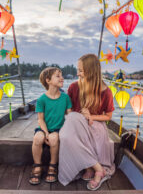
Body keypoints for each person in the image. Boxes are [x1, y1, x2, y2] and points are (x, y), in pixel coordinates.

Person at [58, 54, 115, 190]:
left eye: (81, 70)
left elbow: (108, 116)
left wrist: (91, 117)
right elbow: (68, 110)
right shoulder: (73, 87)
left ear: (91, 71)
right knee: (67, 134)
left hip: (95, 124)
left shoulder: (105, 91)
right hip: (76, 122)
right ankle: (97, 168)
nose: (77, 73)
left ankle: (89, 167)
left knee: (78, 133)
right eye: (77, 69)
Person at [29, 67, 72, 185]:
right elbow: (40, 120)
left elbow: (70, 116)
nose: (62, 78)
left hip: (59, 128)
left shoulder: (65, 97)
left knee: (53, 139)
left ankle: (53, 165)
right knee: (38, 138)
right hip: (44, 128)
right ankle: (37, 165)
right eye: (58, 76)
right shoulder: (42, 99)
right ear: (48, 80)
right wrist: (46, 133)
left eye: (61, 75)